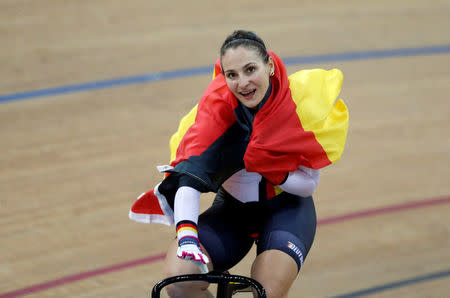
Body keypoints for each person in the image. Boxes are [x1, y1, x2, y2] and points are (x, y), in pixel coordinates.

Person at [129, 30, 349, 298]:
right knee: (178, 281)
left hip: (286, 209)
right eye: (232, 75)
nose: (242, 83)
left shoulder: (297, 105)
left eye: (250, 69)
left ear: (269, 66)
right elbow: (189, 180)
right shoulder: (216, 113)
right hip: (232, 212)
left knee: (268, 292)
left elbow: (308, 186)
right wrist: (187, 233)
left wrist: (272, 169)